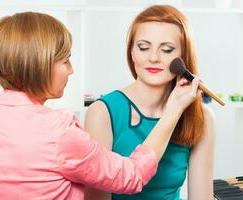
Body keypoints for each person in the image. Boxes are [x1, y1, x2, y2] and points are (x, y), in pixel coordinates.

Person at [0, 11, 201, 200]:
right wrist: (173, 112)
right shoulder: (61, 133)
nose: (71, 70)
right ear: (39, 65)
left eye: (166, 49)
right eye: (65, 61)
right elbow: (132, 175)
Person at [84, 5, 215, 200]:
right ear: (132, 53)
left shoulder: (202, 118)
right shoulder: (102, 113)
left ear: (183, 57)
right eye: (143, 47)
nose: (153, 58)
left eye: (167, 49)